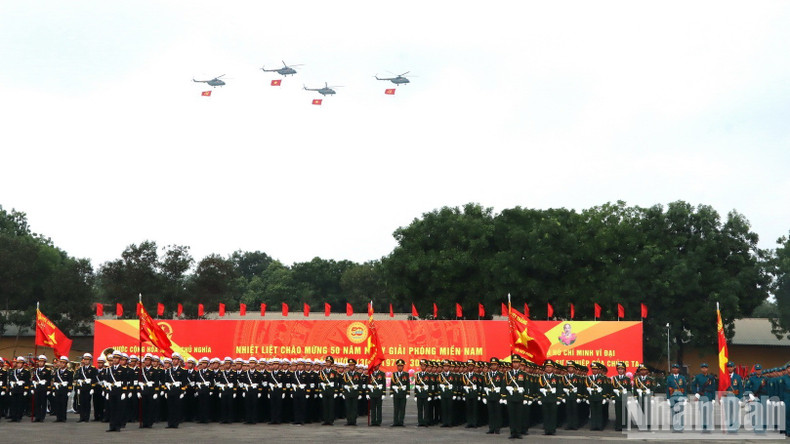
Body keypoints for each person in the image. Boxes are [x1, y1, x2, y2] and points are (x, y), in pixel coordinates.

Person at [73, 353, 97, 423]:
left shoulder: (93, 369)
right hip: (82, 387)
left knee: (87, 403)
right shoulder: (81, 369)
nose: (86, 361)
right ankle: (81, 417)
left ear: (90, 360)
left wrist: (92, 387)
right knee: (81, 403)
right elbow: (78, 378)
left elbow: (95, 379)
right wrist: (78, 387)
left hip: (88, 388)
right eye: (85, 359)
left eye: (87, 360)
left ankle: (86, 417)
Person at [51, 356, 72, 422]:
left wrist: (69, 390)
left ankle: (63, 418)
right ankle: (58, 418)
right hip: (58, 389)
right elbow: (55, 381)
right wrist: (54, 389)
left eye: (63, 363)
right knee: (57, 404)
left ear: (66, 364)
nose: (61, 364)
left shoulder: (69, 372)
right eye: (61, 362)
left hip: (64, 390)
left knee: (63, 404)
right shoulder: (57, 372)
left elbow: (70, 382)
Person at [610, 362, 630, 432]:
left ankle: (624, 427)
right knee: (618, 413)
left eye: (622, 369)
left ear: (624, 370)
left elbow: (629, 389)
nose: (620, 370)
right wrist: (613, 397)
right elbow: (612, 388)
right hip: (617, 398)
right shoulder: (614, 378)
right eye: (619, 369)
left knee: (624, 413)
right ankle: (618, 426)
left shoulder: (627, 379)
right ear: (617, 370)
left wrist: (629, 397)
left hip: (624, 398)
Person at [390, 359, 408, 426]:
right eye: (398, 366)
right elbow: (392, 384)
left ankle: (401, 422)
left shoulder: (406, 374)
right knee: (396, 408)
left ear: (403, 367)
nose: (400, 367)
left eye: (401, 366)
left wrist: (408, 393)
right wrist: (391, 392)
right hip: (396, 393)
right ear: (397, 367)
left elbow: (407, 384)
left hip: (403, 393)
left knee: (402, 408)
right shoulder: (394, 375)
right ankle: (395, 422)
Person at [367, 361, 385, 426]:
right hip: (372, 393)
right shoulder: (370, 374)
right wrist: (367, 393)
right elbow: (367, 383)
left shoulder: (382, 374)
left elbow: (384, 384)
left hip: (379, 393)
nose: (376, 367)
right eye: (374, 366)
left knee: (379, 408)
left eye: (377, 365)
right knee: (373, 408)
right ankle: (373, 421)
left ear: (379, 366)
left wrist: (383, 393)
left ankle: (379, 421)